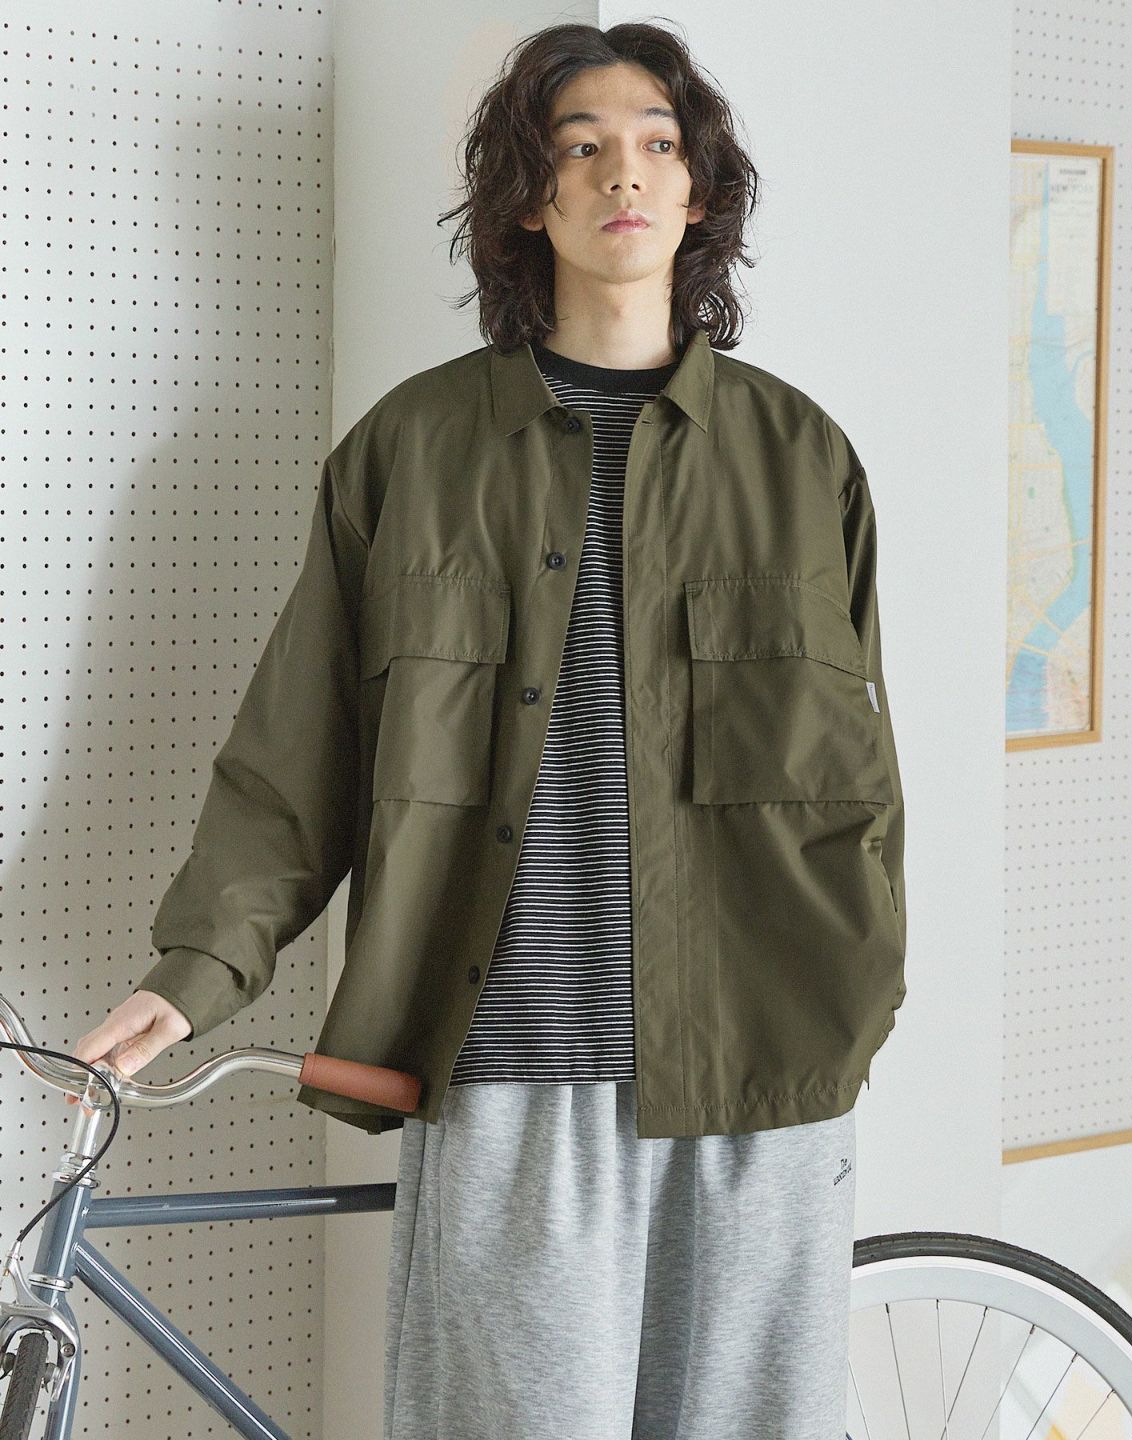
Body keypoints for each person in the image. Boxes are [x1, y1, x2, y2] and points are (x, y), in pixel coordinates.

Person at [68, 20, 906, 1439]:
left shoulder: (801, 458)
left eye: (658, 145)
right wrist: (200, 971)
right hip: (516, 1068)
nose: (623, 173)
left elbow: (864, 780)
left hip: (760, 1071)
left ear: (698, 190)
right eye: (582, 146)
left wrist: (862, 992)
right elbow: (300, 753)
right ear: (529, 196)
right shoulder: (413, 451)